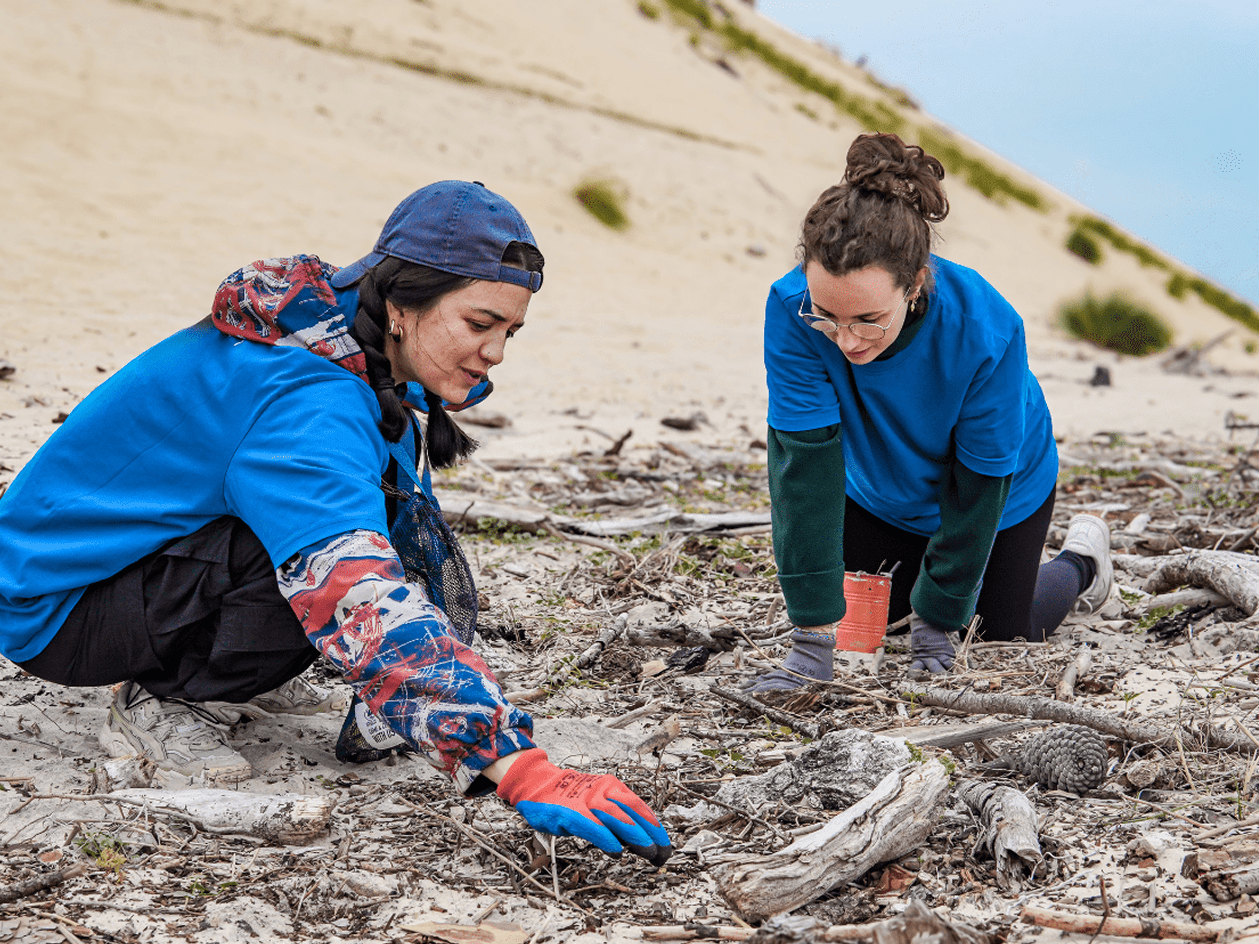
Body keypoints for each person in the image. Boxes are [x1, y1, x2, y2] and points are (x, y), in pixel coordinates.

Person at [0, 181, 671, 866]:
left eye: (509, 331)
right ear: (403, 304)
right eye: (478, 324)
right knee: (317, 554)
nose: (496, 352)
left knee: (356, 516)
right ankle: (169, 699)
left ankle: (211, 660)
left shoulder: (349, 342)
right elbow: (351, 588)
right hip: (58, 607)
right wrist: (516, 764)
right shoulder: (306, 395)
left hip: (123, 570)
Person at [753, 133, 1112, 690]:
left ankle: (1083, 563)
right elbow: (804, 465)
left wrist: (939, 622)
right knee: (875, 617)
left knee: (994, 630)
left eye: (868, 319)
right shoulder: (792, 309)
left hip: (1000, 487)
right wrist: (810, 639)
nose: (846, 341)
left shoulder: (984, 330)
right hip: (880, 486)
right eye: (828, 316)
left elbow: (980, 478)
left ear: (915, 284)